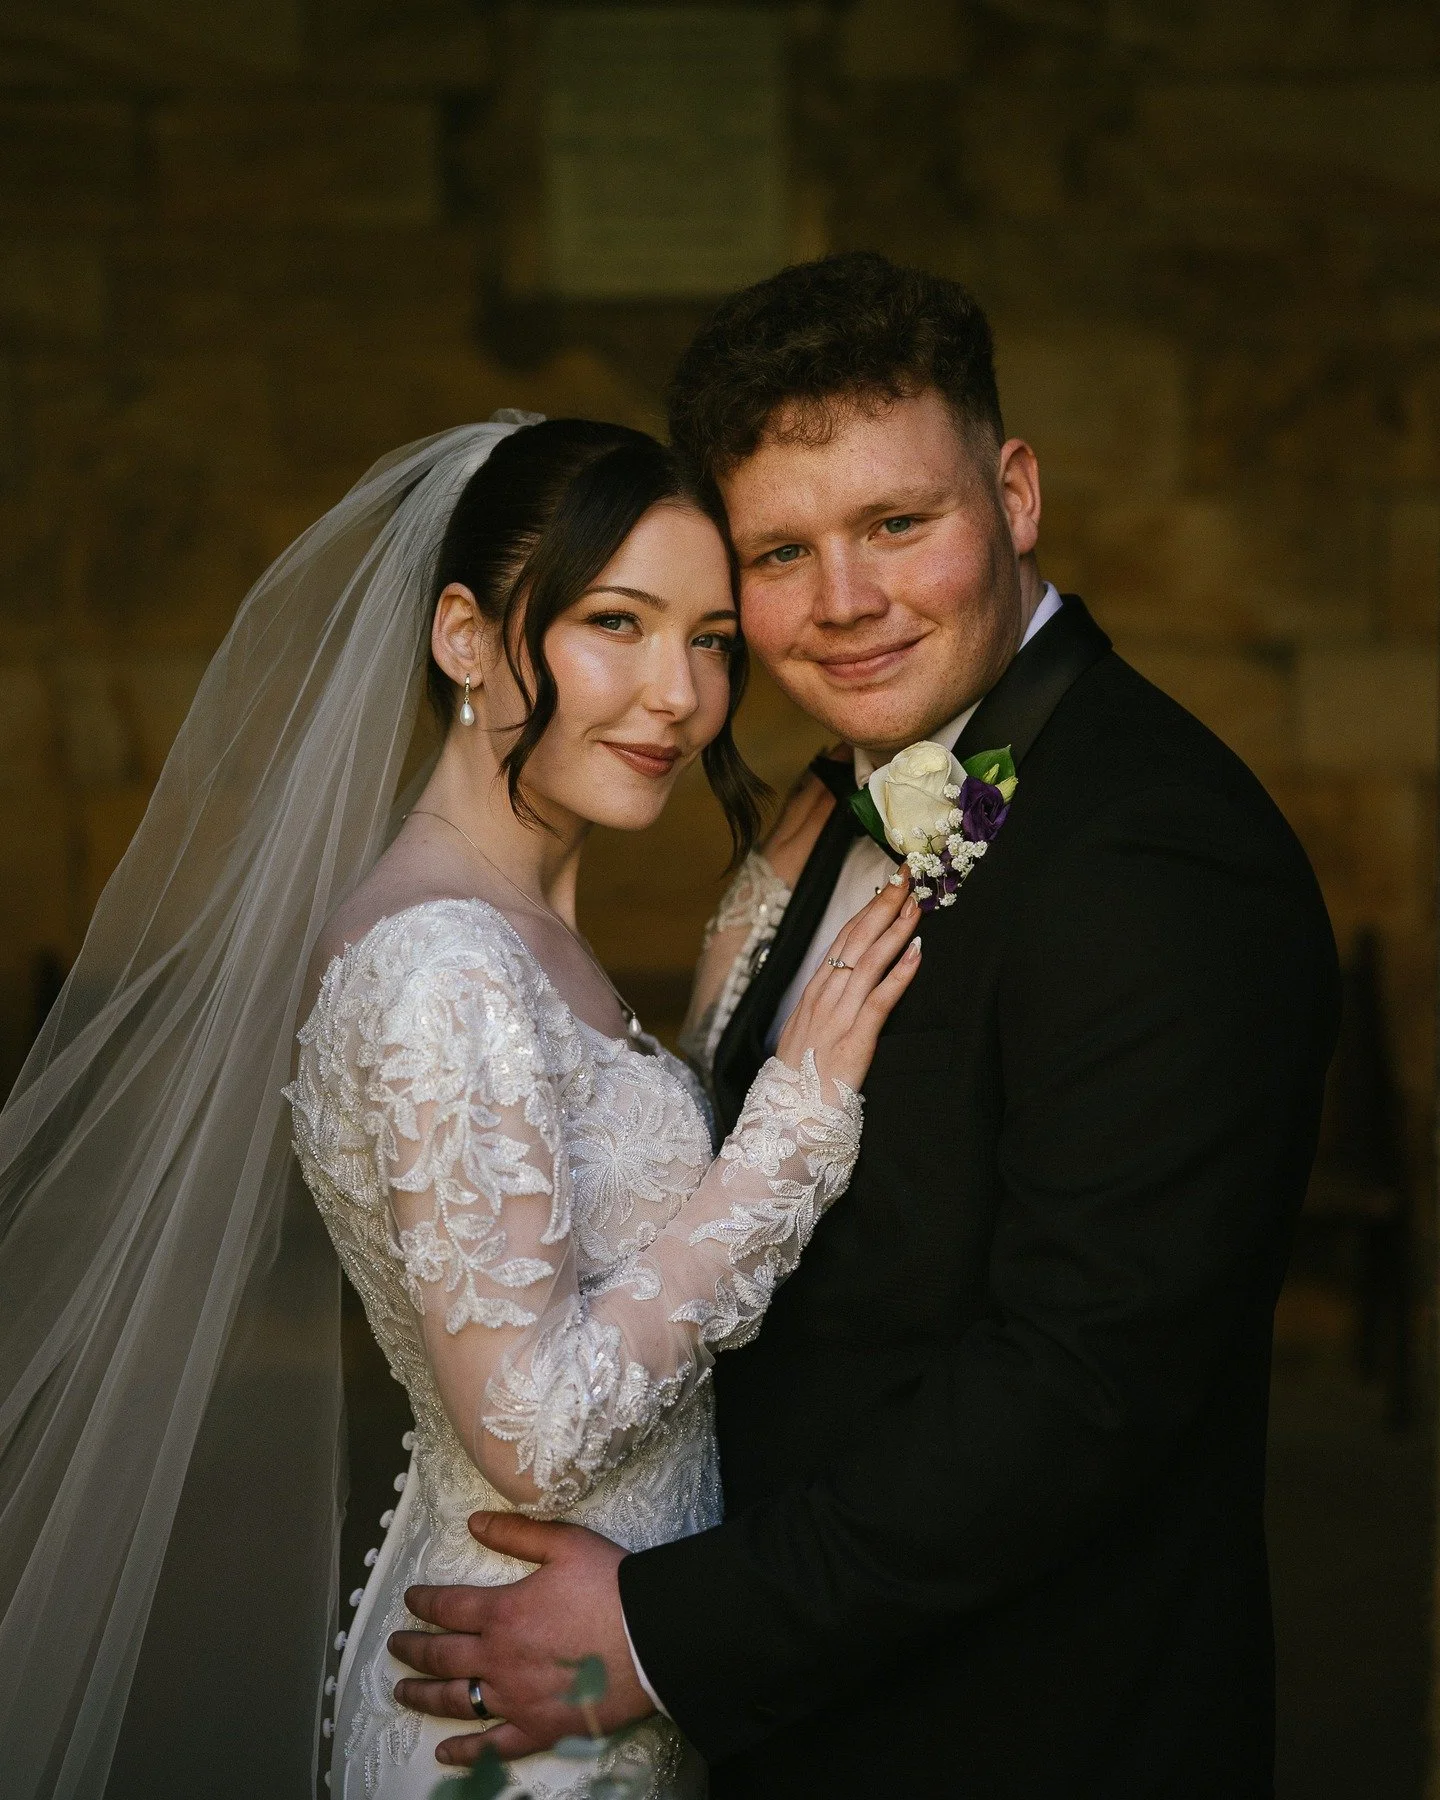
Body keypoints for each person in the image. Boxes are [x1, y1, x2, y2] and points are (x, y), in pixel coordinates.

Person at [395, 254, 1341, 1799]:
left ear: (1017, 494)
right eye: (780, 551)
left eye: (898, 524)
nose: (843, 604)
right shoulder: (849, 808)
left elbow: (1076, 1386)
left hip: (1026, 1732)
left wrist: (657, 1629)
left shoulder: (1163, 855)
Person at [0, 409, 922, 1800]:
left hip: (586, 1665)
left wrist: (739, 960)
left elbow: (586, 1198)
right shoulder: (443, 970)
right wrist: (793, 1131)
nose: (678, 692)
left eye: (713, 638)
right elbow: (533, 1429)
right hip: (518, 1722)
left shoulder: (510, 928)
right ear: (464, 637)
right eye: (617, 622)